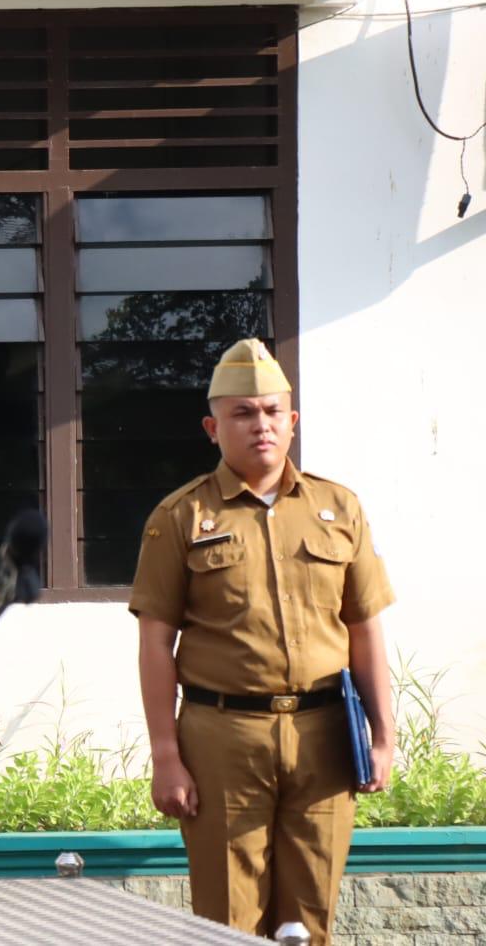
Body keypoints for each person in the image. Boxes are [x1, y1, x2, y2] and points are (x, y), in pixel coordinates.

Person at [129, 338, 396, 945]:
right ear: (212, 426)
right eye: (243, 413)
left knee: (311, 918)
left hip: (324, 735)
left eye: (273, 412)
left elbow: (364, 628)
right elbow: (155, 643)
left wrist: (383, 735)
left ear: (292, 421)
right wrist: (166, 755)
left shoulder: (339, 508)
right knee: (228, 921)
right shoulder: (180, 516)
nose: (261, 426)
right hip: (224, 739)